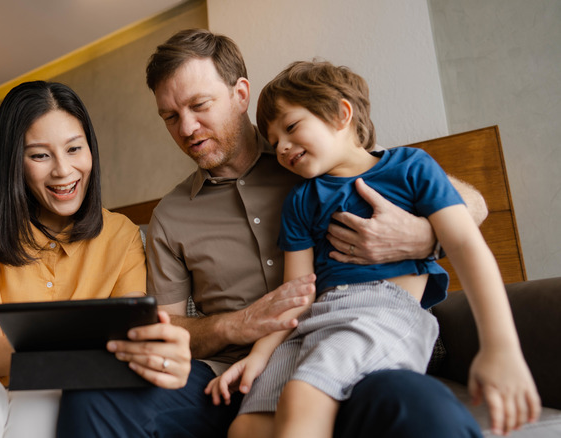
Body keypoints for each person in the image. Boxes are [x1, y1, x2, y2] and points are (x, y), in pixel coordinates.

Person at [57, 29, 487, 437]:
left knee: (419, 407)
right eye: (170, 116)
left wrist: (422, 236)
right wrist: (235, 326)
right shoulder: (170, 215)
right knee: (95, 398)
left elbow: (468, 202)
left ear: (240, 94)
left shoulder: (311, 157)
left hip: (346, 355)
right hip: (226, 380)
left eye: (199, 105)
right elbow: (170, 329)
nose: (186, 129)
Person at [205, 60, 541, 438]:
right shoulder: (301, 200)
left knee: (304, 397)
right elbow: (295, 294)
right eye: (273, 139)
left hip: (382, 313)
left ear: (341, 113)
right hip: (313, 321)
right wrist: (259, 355)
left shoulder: (411, 167)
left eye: (292, 127)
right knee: (246, 428)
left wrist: (500, 347)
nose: (281, 146)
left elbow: (465, 244)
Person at [0, 81, 192, 438]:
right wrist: (85, 346)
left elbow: (126, 340)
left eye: (74, 148)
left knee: (56, 412)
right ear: (14, 162)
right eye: (40, 155)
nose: (63, 170)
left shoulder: (122, 235)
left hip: (48, 380)